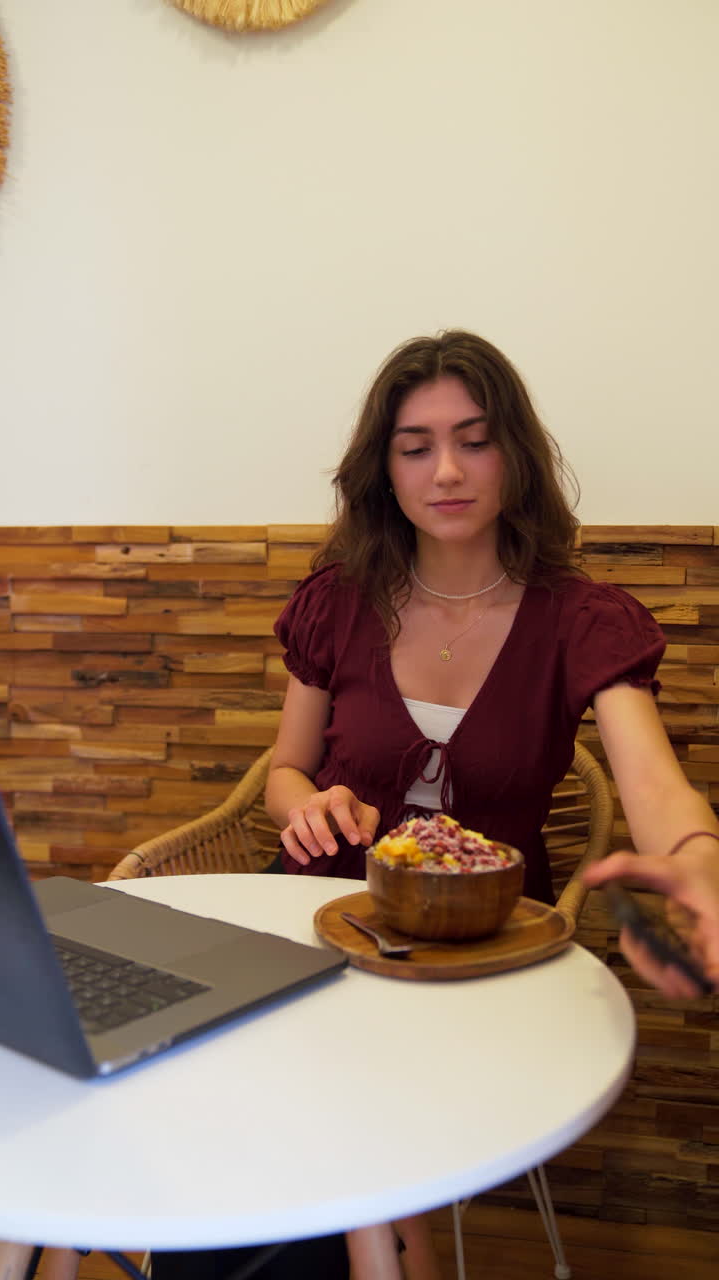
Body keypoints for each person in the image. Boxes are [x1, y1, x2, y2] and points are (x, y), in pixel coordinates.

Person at [264, 327, 719, 1277]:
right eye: (415, 446)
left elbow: (656, 790)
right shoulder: (337, 602)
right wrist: (302, 807)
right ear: (382, 470)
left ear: (516, 452)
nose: (448, 471)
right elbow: (284, 771)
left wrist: (697, 859)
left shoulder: (582, 621)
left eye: (475, 439)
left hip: (480, 955)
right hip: (316, 925)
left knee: (369, 1142)